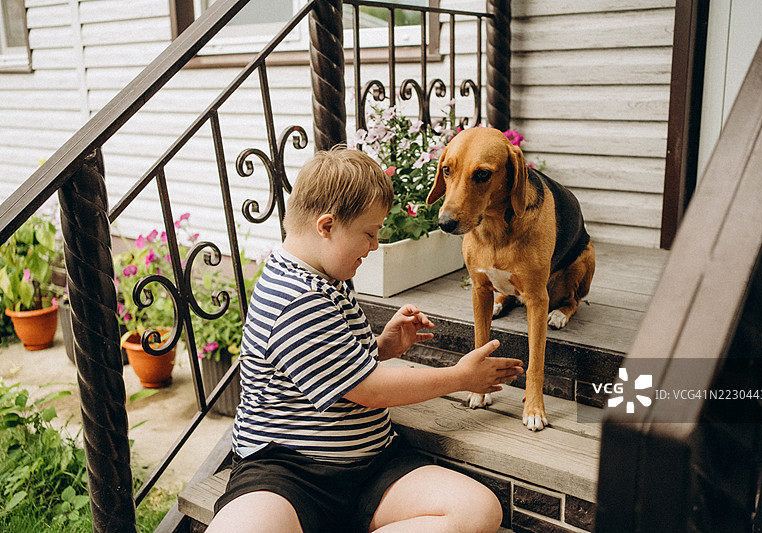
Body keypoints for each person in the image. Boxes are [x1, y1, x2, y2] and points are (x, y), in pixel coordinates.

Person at [207, 147, 524, 533]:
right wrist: (460, 378)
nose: (374, 246)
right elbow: (367, 390)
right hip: (289, 474)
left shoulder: (329, 276)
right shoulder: (293, 297)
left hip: (372, 466)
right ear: (326, 227)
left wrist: (379, 348)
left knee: (478, 510)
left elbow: (330, 366)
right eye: (370, 233)